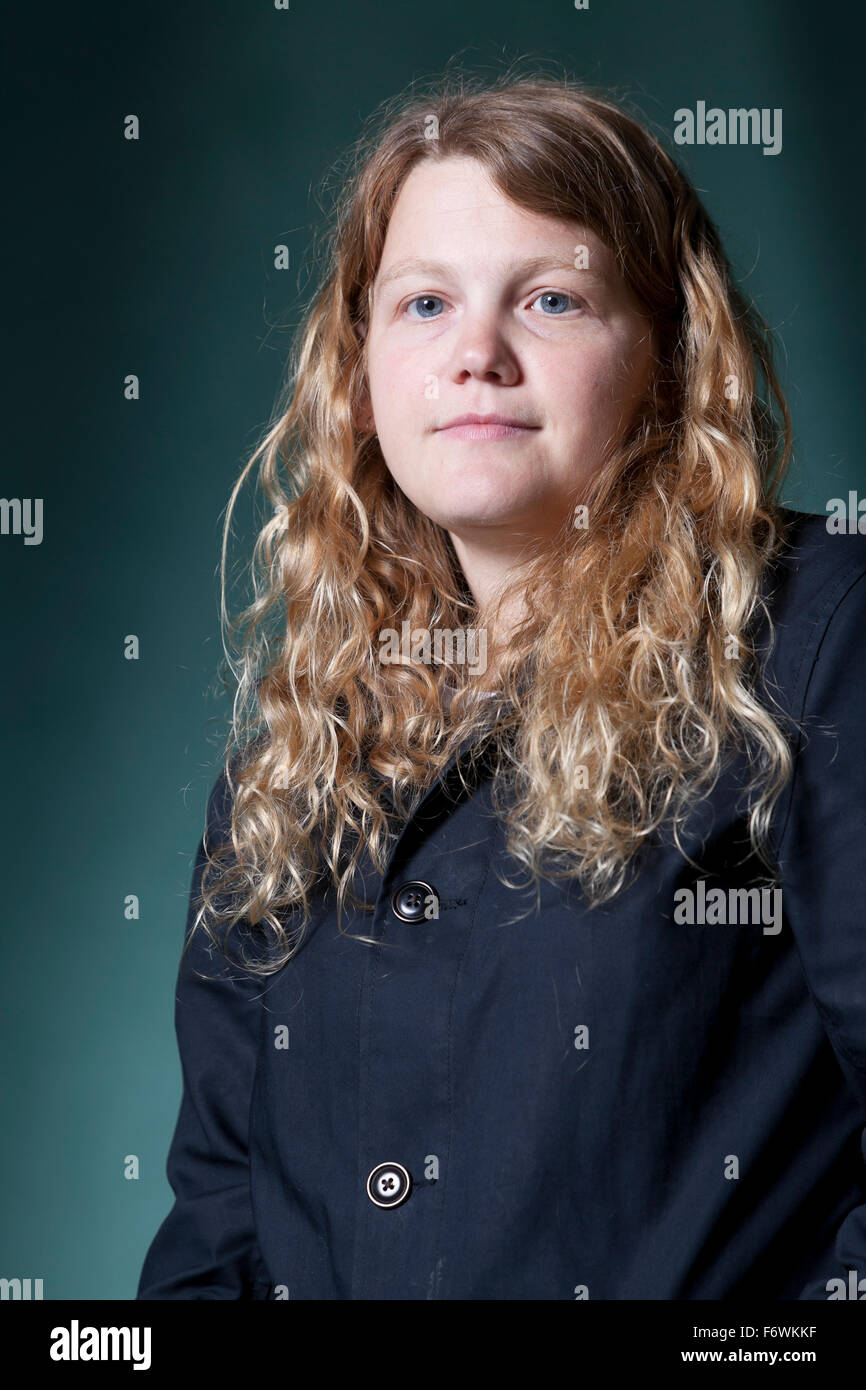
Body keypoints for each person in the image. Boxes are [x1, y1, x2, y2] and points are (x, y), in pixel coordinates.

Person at [137, 71, 866, 1301]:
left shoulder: (814, 631)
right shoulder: (296, 757)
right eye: (422, 302)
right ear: (358, 368)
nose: (474, 354)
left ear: (666, 354)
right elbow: (219, 1230)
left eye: (550, 299)